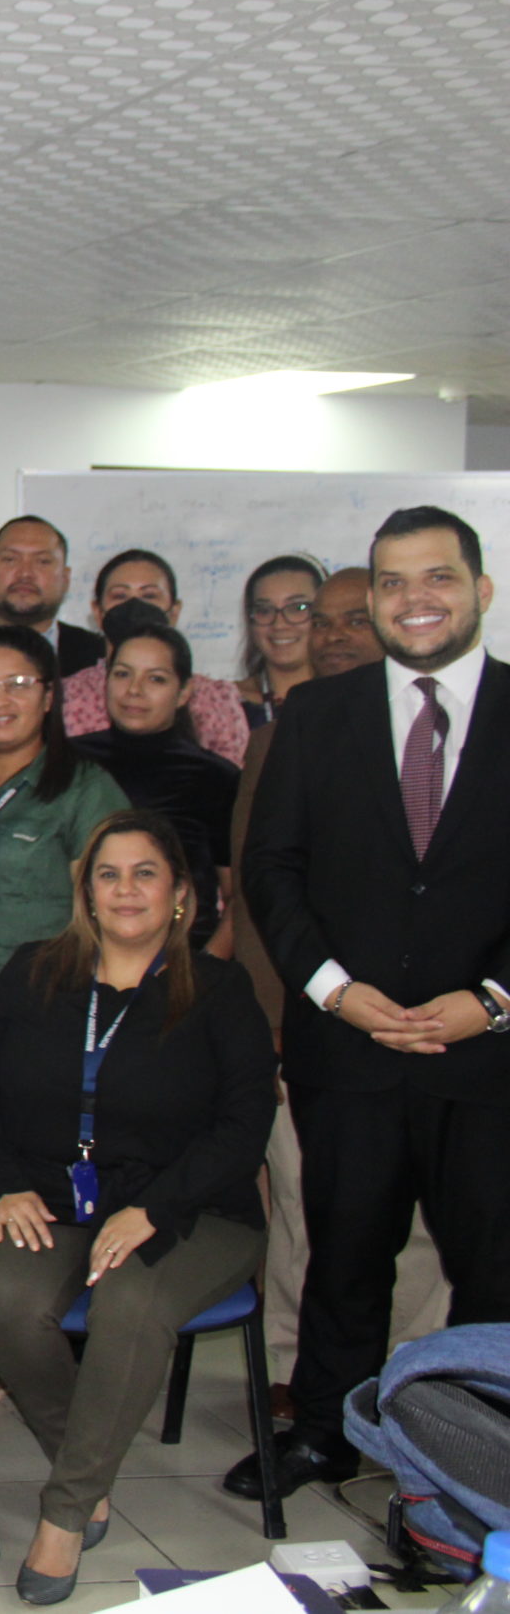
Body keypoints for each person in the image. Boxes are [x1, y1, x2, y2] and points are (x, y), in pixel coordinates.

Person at [232, 505, 510, 1502]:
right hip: (345, 1043)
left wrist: (492, 1000)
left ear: (480, 590)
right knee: (343, 1252)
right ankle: (323, 1433)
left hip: (486, 1054)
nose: (413, 600)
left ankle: (473, 1458)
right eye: (391, 582)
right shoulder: (318, 716)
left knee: (492, 1271)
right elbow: (271, 869)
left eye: (436, 578)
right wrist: (333, 992)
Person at [0, 811, 273, 1604]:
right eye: (108, 873)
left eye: (144, 873)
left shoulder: (222, 991)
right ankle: (88, 1465)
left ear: (178, 896)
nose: (125, 889)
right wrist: (2, 1183)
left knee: (129, 1306)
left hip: (194, 1212)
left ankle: (64, 1514)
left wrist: (154, 1211)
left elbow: (243, 1128)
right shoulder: (33, 972)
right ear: (85, 892)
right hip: (51, 1201)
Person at [234, 569, 449, 1414]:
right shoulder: (284, 735)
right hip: (311, 1020)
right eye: (318, 622)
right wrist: (283, 1008)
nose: (329, 635)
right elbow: (261, 888)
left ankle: (414, 1385)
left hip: (437, 1028)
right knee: (303, 1208)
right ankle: (300, 1377)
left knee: (426, 1230)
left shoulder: (449, 733)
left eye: (350, 619)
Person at [0, 626, 131, 983]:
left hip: (42, 992)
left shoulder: (86, 789)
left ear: (49, 696)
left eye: (18, 683)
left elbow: (115, 911)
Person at [72, 608, 238, 956]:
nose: (134, 690)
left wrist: (211, 964)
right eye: (122, 674)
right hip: (81, 958)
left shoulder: (216, 777)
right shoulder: (68, 762)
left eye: (156, 679)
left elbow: (239, 895)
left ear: (184, 692)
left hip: (184, 963)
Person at [59, 550, 249, 764]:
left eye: (149, 596)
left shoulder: (216, 699)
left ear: (174, 611)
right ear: (98, 611)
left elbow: (232, 782)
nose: (134, 606)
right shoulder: (67, 696)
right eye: (120, 596)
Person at [0, 516, 104, 678]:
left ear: (65, 579)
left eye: (43, 561)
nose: (25, 574)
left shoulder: (101, 657)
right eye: (10, 559)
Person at [236, 554, 324, 729]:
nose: (279, 624)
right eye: (264, 610)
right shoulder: (219, 706)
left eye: (297, 608)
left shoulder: (350, 699)